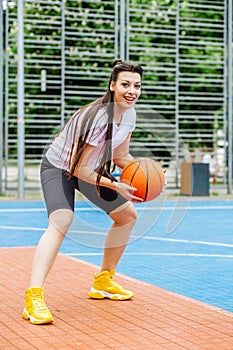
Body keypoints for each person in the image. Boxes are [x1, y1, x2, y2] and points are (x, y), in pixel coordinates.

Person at [22, 59, 144, 325]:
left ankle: (103, 281)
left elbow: (121, 156)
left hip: (90, 167)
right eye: (125, 84)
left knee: (127, 216)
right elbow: (78, 169)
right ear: (113, 86)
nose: (131, 90)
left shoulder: (129, 114)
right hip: (60, 167)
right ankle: (34, 297)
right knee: (61, 220)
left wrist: (147, 172)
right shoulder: (99, 118)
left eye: (136, 85)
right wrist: (115, 184)